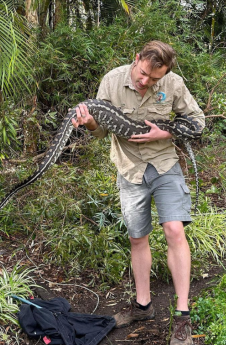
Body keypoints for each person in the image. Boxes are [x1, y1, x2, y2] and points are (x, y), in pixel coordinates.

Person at [71, 40, 205, 345]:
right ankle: (143, 306)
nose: (146, 82)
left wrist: (166, 132)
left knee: (174, 229)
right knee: (137, 237)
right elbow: (101, 130)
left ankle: (183, 316)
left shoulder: (173, 84)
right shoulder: (112, 80)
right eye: (143, 74)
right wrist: (89, 122)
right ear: (137, 60)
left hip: (164, 164)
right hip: (130, 169)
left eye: (154, 79)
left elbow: (198, 122)